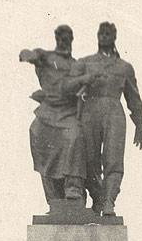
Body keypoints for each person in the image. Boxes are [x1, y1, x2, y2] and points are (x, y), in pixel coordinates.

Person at [73, 22, 142, 216]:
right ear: (97, 35)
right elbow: (70, 86)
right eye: (101, 32)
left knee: (113, 159)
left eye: (108, 33)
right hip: (90, 111)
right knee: (89, 160)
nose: (104, 36)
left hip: (114, 112)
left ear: (114, 37)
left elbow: (133, 98)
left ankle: (109, 201)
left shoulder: (124, 67)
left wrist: (140, 124)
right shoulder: (85, 62)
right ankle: (98, 197)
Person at [20, 25, 101, 205]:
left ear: (71, 39)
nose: (64, 41)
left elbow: (77, 87)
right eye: (61, 37)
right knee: (37, 131)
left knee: (75, 137)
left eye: (67, 37)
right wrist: (28, 55)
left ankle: (74, 187)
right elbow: (31, 54)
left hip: (69, 112)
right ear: (56, 38)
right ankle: (54, 197)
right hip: (48, 111)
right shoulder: (46, 56)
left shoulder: (77, 64)